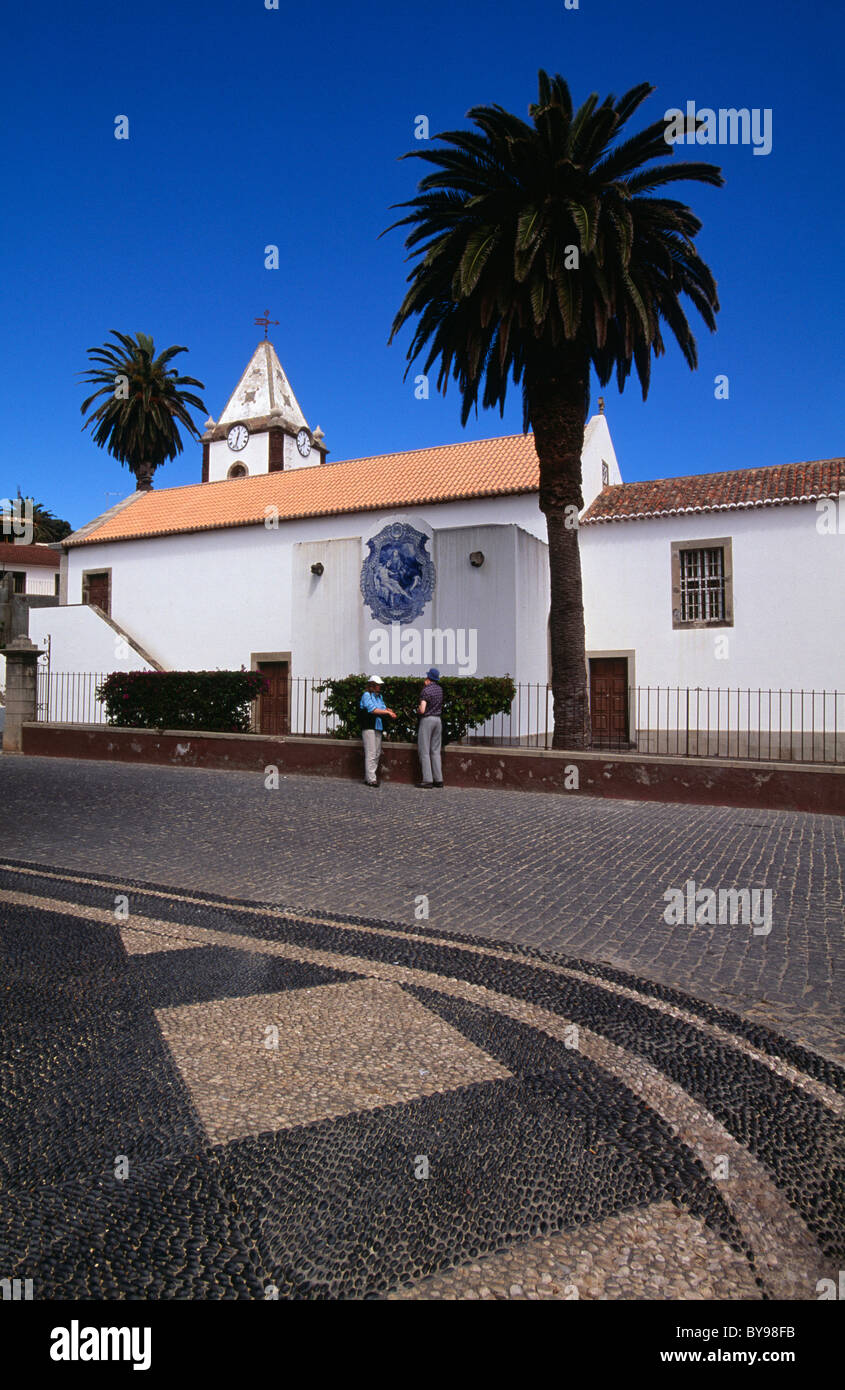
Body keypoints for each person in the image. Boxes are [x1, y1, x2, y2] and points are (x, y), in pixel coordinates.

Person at [359, 676, 396, 787]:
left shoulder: (379, 696)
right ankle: (371, 778)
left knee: (376, 752)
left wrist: (388, 710)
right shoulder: (366, 695)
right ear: (373, 685)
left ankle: (369, 776)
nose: (380, 687)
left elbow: (382, 707)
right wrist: (388, 712)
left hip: (377, 726)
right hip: (369, 726)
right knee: (371, 752)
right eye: (378, 685)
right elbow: (372, 709)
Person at [417, 667, 444, 788]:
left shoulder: (426, 691)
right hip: (438, 720)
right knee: (435, 750)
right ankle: (439, 779)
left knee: (424, 750)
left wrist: (418, 709)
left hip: (427, 720)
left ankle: (427, 779)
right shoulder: (440, 690)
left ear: (429, 679)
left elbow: (422, 709)